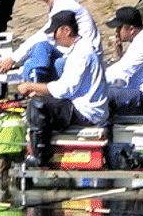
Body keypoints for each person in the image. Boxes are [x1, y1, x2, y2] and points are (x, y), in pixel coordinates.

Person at [15, 11, 108, 166]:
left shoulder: (81, 53)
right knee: (40, 99)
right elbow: (67, 86)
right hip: (82, 106)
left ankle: (40, 157)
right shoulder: (80, 49)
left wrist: (31, 86)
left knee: (37, 105)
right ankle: (46, 145)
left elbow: (66, 89)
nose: (54, 37)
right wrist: (40, 90)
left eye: (55, 32)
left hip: (86, 112)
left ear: (66, 30)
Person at [0, 0, 99, 81]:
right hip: (71, 51)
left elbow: (45, 35)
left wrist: (13, 58)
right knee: (34, 59)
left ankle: (38, 88)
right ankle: (37, 86)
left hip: (86, 57)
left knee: (40, 48)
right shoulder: (58, 4)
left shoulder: (65, 5)